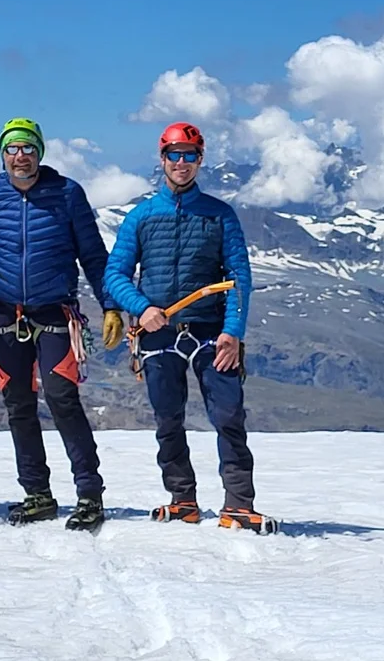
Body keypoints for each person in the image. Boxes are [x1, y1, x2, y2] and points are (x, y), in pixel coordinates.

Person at [104, 121, 277, 534]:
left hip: (211, 331)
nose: (181, 163)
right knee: (168, 419)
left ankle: (238, 505)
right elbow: (116, 274)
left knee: (229, 414)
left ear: (200, 160)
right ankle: (182, 499)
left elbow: (238, 276)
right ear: (162, 159)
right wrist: (142, 309)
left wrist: (233, 331)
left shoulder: (220, 216)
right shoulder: (142, 216)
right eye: (174, 155)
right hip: (157, 332)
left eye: (189, 156)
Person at [0, 117, 125, 532]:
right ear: (3, 154)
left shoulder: (67, 194)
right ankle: (37, 494)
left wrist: (112, 305)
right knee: (18, 405)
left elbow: (94, 258)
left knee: (62, 398)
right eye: (12, 149)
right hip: (3, 314)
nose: (20, 156)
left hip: (54, 313)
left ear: (40, 152)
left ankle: (89, 494)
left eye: (28, 148)